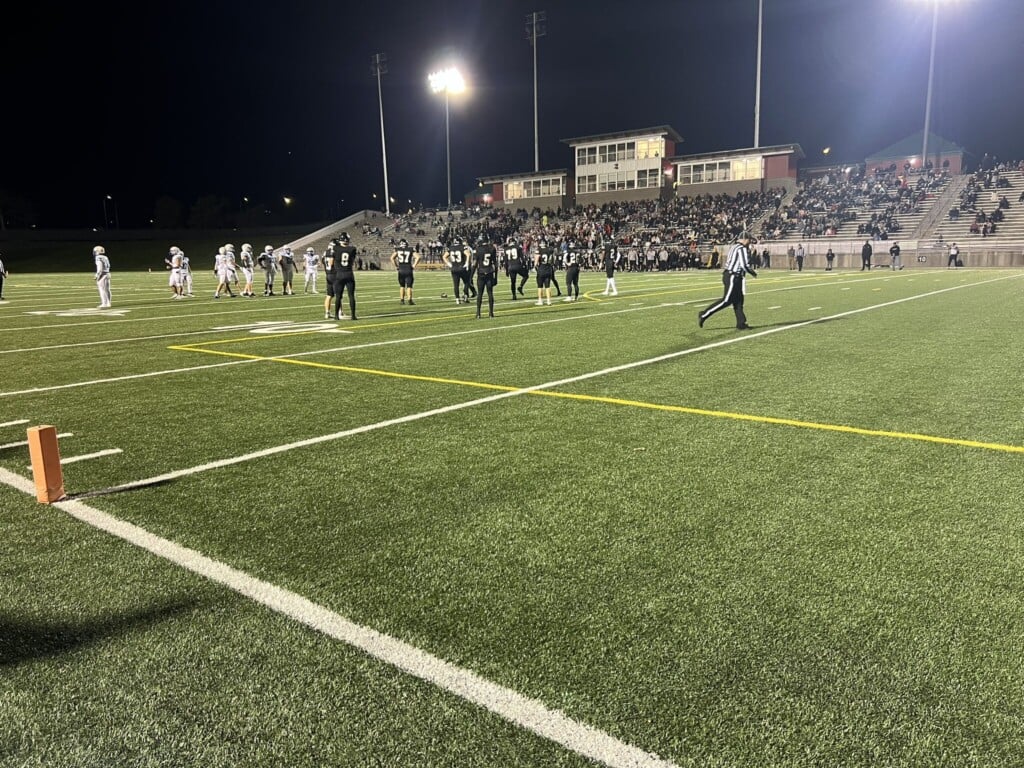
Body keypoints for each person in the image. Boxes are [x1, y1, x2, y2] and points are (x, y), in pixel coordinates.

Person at [697, 232, 757, 330]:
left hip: (733, 276)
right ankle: (704, 314)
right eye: (749, 240)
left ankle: (741, 323)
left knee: (738, 301)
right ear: (745, 239)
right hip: (733, 276)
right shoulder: (741, 249)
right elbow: (744, 265)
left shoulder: (734, 247)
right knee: (727, 300)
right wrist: (753, 272)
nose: (749, 242)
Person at [332, 232, 357, 320]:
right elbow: (353, 261)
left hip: (339, 274)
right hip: (349, 273)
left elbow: (333, 260)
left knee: (338, 296)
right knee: (351, 295)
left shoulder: (335, 248)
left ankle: (336, 315)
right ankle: (353, 315)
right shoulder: (352, 249)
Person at [472, 235, 498, 318]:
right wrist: (496, 276)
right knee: (490, 293)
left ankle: (478, 313)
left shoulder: (478, 249)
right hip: (490, 271)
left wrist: (471, 276)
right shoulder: (492, 248)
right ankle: (491, 313)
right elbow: (495, 264)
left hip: (481, 272)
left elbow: (475, 264)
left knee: (480, 293)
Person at [443, 238, 473, 304]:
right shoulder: (462, 247)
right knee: (467, 282)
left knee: (456, 285)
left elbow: (444, 256)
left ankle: (457, 299)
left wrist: (449, 264)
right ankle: (465, 295)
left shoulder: (451, 248)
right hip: (462, 267)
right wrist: (467, 263)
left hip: (454, 268)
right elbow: (468, 254)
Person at [391, 238, 420, 305]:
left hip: (401, 269)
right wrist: (414, 265)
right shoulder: (410, 249)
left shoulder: (398, 250)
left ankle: (402, 300)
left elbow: (392, 258)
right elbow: (418, 257)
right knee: (409, 286)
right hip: (408, 269)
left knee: (402, 286)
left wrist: (396, 266)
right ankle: (409, 300)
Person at [534, 238, 556, 306]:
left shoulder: (539, 250)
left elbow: (536, 259)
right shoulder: (550, 250)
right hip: (548, 269)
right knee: (548, 286)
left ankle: (540, 300)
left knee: (540, 286)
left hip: (541, 269)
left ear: (540, 244)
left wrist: (535, 266)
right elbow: (553, 259)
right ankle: (549, 301)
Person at [322, 239, 337, 318]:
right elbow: (331, 262)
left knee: (329, 295)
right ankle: (340, 313)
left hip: (328, 274)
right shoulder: (333, 252)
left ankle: (327, 313)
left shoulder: (325, 252)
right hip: (334, 274)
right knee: (338, 295)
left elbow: (323, 261)